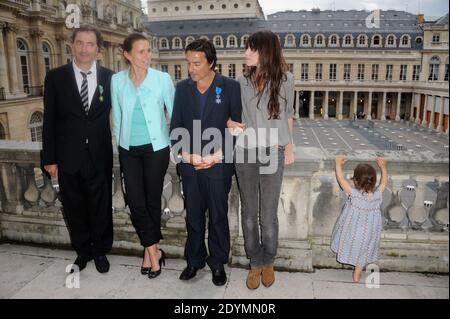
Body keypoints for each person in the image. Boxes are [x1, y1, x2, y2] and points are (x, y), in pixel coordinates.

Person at [169, 39, 242, 286]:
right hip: (189, 166)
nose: (191, 68)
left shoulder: (230, 87)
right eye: (188, 63)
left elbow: (237, 128)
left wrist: (216, 156)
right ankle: (194, 261)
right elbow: (175, 128)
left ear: (211, 62)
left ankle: (217, 263)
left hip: (218, 165)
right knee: (194, 217)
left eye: (196, 63)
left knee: (218, 216)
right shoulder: (181, 89)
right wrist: (187, 156)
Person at [42, 25, 114, 273]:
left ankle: (101, 251)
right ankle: (83, 251)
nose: (84, 48)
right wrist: (49, 158)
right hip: (67, 155)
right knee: (74, 206)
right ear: (72, 45)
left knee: (101, 205)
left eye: (90, 44)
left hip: (100, 154)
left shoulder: (110, 77)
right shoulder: (55, 77)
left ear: (98, 49)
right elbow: (49, 120)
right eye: (80, 43)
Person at [227, 30, 295, 290]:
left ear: (265, 52)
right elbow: (230, 115)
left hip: (272, 151)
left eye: (251, 49)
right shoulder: (240, 82)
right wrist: (228, 122)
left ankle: (269, 260)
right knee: (248, 213)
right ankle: (254, 262)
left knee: (268, 216)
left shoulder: (286, 79)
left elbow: (288, 114)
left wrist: (289, 147)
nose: (245, 53)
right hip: (245, 151)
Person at [112, 33, 175, 279]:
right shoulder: (117, 81)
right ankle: (154, 252)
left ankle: (149, 254)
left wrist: (176, 146)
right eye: (141, 51)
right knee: (135, 202)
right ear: (127, 55)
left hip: (156, 149)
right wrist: (120, 145)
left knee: (151, 202)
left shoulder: (162, 79)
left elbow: (175, 113)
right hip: (129, 150)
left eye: (149, 50)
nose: (147, 56)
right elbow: (116, 117)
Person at [331, 155, 388, 283]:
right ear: (373, 181)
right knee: (364, 249)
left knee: (351, 245)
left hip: (354, 230)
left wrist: (338, 164)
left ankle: (352, 266)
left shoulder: (354, 194)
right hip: (370, 231)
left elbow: (341, 180)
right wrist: (383, 167)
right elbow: (384, 183)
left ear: (355, 181)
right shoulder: (378, 195)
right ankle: (357, 274)